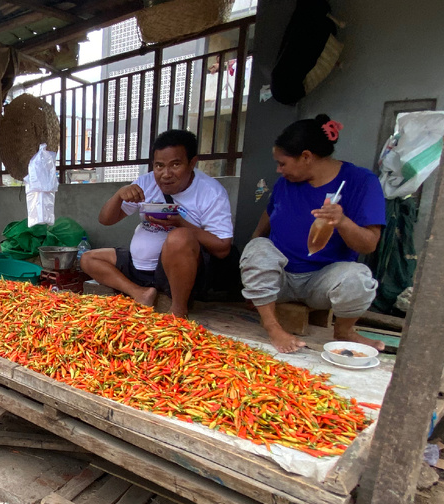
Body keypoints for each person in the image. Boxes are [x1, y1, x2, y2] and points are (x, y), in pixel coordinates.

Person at [240, 114, 386, 353]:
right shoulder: (285, 183)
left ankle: (344, 331)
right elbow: (270, 213)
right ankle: (273, 327)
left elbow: (369, 244)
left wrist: (342, 221)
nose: (278, 170)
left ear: (306, 157)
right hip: (282, 278)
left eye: (283, 163)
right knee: (256, 248)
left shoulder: (361, 182)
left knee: (359, 279)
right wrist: (253, 254)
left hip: (323, 283)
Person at [80, 129, 234, 317]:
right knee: (88, 258)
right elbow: (105, 220)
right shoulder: (146, 182)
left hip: (174, 272)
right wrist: (119, 195)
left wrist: (180, 223)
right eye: (159, 166)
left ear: (192, 163)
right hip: (137, 265)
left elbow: (223, 247)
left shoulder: (211, 192)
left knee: (179, 237)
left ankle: (178, 310)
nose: (165, 174)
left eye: (175, 165)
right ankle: (139, 292)